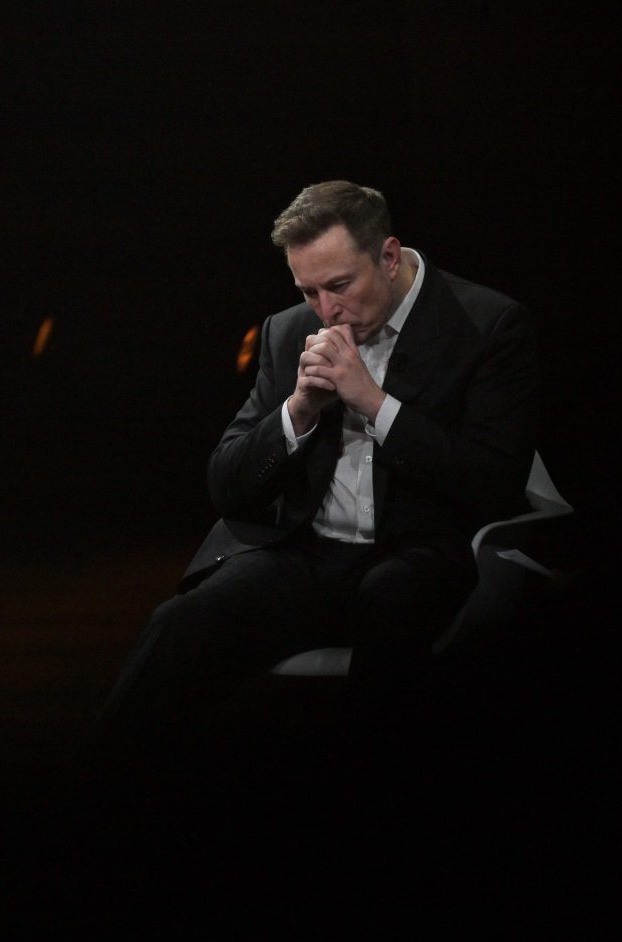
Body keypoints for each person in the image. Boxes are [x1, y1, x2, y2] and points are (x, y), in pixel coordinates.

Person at [91, 180, 538, 760]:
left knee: (390, 612)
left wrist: (373, 402)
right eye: (309, 291)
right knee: (183, 624)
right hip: (309, 552)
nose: (326, 311)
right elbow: (227, 485)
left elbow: (491, 483)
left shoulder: (487, 324)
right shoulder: (287, 331)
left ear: (389, 256)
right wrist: (298, 410)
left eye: (339, 286)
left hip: (422, 548)